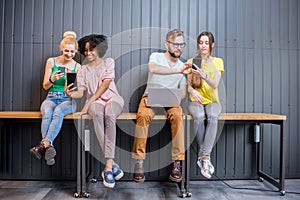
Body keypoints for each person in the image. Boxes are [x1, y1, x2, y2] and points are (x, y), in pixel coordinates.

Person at [132, 29, 190, 183]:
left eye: (182, 44)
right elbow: (153, 69)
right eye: (176, 44)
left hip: (171, 98)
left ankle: (177, 163)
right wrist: (176, 70)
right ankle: (139, 162)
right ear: (167, 44)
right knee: (143, 116)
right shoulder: (156, 57)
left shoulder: (183, 66)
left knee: (178, 116)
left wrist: (177, 94)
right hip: (151, 95)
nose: (179, 47)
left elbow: (183, 92)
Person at [66, 34, 124, 188]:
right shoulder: (83, 69)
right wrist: (71, 93)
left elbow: (105, 86)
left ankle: (108, 167)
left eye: (91, 50)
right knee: (98, 113)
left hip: (112, 99)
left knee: (109, 113)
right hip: (95, 103)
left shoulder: (108, 62)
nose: (88, 54)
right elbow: (82, 92)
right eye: (85, 51)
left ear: (99, 49)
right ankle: (111, 166)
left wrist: (86, 106)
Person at [30, 31, 81, 165]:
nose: (69, 54)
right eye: (66, 51)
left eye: (72, 52)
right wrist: (52, 79)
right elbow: (45, 86)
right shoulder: (51, 61)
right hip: (51, 97)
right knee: (47, 112)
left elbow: (79, 92)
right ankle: (48, 147)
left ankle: (42, 146)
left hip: (68, 100)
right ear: (61, 49)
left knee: (58, 112)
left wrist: (69, 89)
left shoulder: (78, 67)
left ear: (76, 51)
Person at [187, 31, 224, 179]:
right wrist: (193, 92)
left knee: (213, 116)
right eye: (201, 42)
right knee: (199, 116)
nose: (203, 46)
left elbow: (215, 84)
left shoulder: (218, 62)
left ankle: (203, 157)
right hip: (195, 101)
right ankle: (205, 160)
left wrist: (204, 75)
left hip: (212, 101)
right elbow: (188, 85)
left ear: (212, 45)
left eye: (206, 43)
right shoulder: (192, 61)